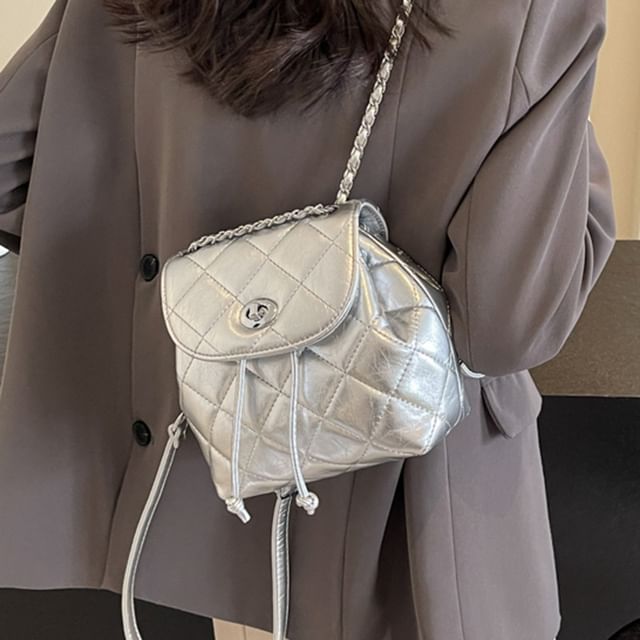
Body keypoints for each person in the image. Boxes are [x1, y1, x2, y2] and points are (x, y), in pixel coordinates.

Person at [0, 0, 616, 639]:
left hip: (215, 467)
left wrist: (172, 250)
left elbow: (11, 165)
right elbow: (506, 325)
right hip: (413, 520)